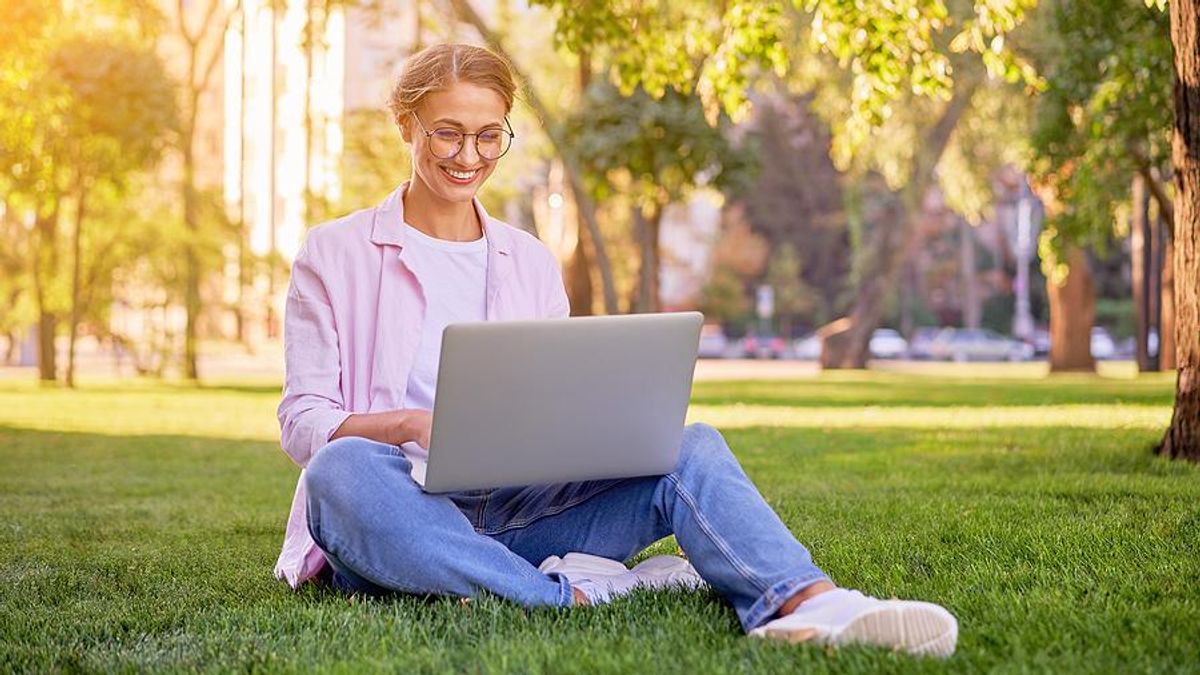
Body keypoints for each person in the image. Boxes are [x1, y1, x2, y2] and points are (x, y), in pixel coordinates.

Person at [275, 42, 958, 658]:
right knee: (339, 472)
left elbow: (555, 399)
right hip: (402, 519)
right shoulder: (335, 254)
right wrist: (403, 425)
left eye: (489, 135)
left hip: (523, 508)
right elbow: (302, 420)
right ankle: (571, 592)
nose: (468, 155)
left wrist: (594, 431)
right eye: (447, 133)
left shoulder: (528, 261)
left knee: (691, 446)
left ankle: (805, 602)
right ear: (407, 127)